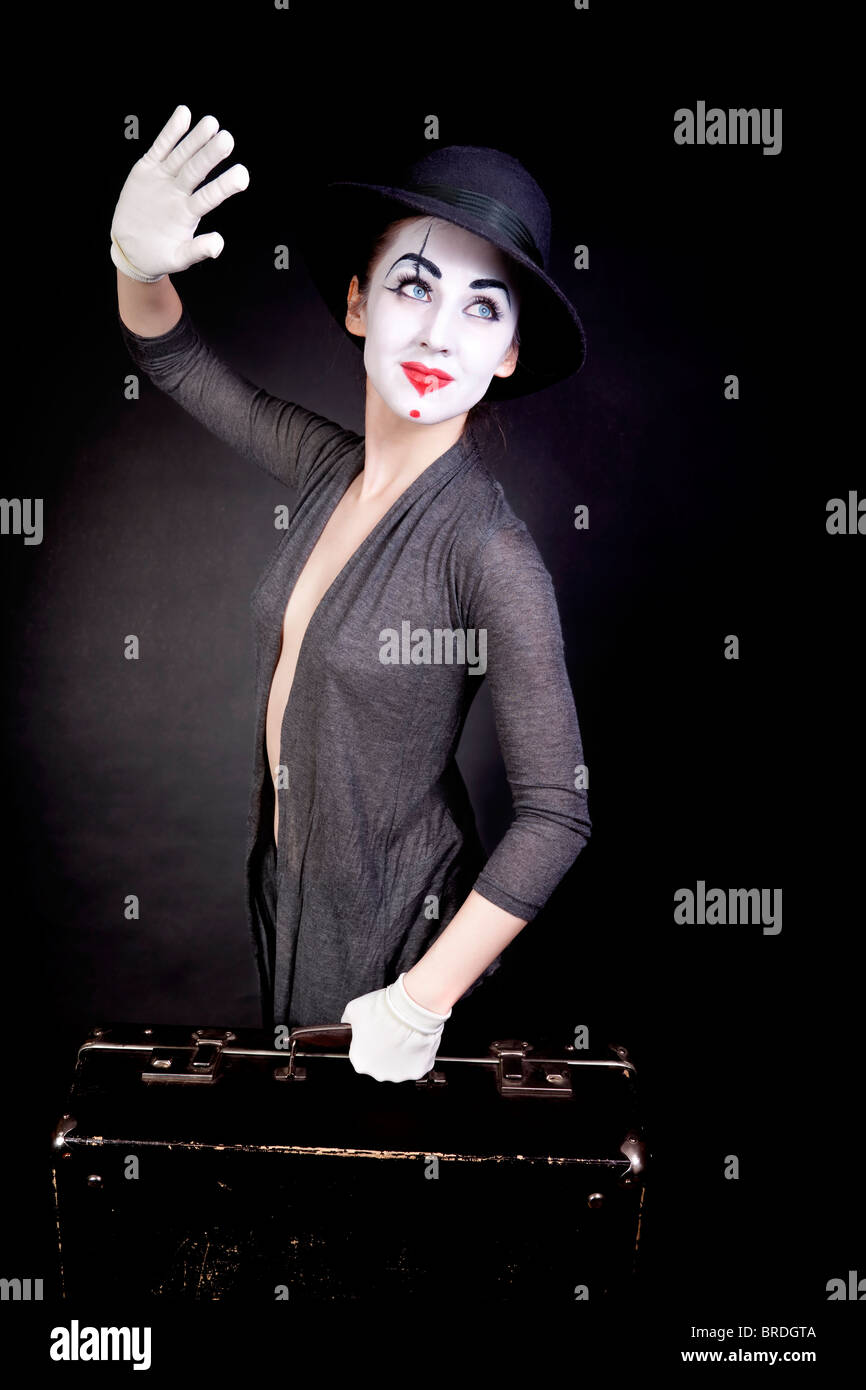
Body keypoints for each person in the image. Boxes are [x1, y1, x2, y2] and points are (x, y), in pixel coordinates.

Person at [112, 105, 591, 1083]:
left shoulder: (488, 551)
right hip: (293, 898)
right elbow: (177, 362)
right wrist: (138, 266)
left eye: (481, 306)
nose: (438, 331)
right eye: (413, 285)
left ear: (506, 352)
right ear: (358, 303)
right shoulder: (327, 467)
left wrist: (418, 1001)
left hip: (398, 942)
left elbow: (557, 813)